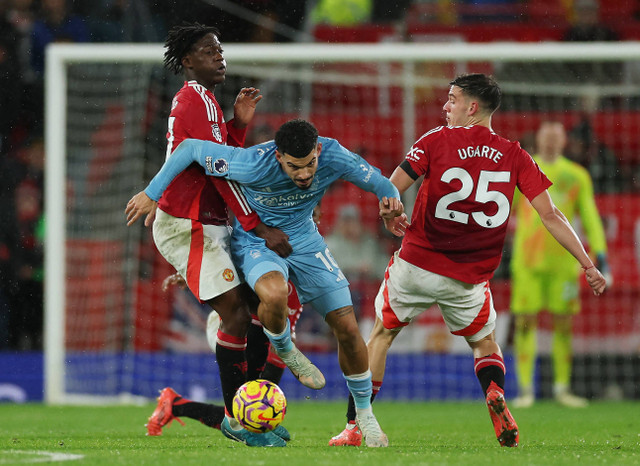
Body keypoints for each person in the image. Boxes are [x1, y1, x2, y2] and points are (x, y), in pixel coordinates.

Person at [328, 73, 607, 448]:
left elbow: (390, 188)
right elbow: (552, 215)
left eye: (452, 99)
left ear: (472, 108)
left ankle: (355, 425)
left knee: (381, 335)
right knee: (485, 344)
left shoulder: (435, 140)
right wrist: (587, 264)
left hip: (416, 264)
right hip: (469, 279)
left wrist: (389, 213)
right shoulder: (516, 156)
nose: (446, 106)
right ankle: (493, 391)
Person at [126, 119, 405, 448]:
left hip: (306, 241)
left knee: (347, 326)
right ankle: (287, 353)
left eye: (310, 165)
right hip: (257, 244)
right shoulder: (252, 162)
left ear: (317, 151)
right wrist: (152, 193)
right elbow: (190, 149)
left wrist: (391, 208)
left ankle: (364, 417)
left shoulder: (333, 155)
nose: (303, 175)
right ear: (278, 157)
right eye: (293, 167)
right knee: (273, 297)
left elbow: (382, 184)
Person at [136, 22, 292, 448]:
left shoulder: (206, 102)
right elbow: (218, 171)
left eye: (220, 50)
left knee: (257, 311)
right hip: (191, 222)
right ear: (187, 60)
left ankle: (239, 411)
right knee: (241, 315)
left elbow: (223, 157)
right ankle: (238, 420)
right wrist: (256, 226)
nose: (219, 57)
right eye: (208, 51)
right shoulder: (192, 98)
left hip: (204, 221)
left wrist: (237, 126)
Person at [510, 121, 610, 408]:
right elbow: (505, 207)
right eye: (546, 136)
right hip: (528, 261)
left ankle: (561, 388)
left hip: (565, 264)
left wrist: (600, 255)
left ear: (564, 141)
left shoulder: (576, 175)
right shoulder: (525, 168)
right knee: (525, 323)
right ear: (538, 139)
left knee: (563, 325)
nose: (551, 141)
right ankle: (526, 390)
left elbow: (590, 216)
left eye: (556, 137)